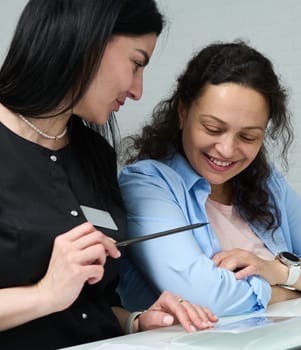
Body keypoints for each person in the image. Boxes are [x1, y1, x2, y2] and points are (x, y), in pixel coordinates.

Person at [0, 1, 217, 348]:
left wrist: (136, 320)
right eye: (136, 63)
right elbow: (58, 299)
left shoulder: (95, 154)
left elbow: (92, 306)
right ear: (88, 40)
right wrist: (46, 294)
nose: (137, 90)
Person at [118, 40, 301, 317]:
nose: (226, 149)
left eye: (248, 137)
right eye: (213, 129)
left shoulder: (267, 183)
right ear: (183, 112)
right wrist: (299, 289)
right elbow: (207, 297)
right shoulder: (147, 183)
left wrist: (275, 270)